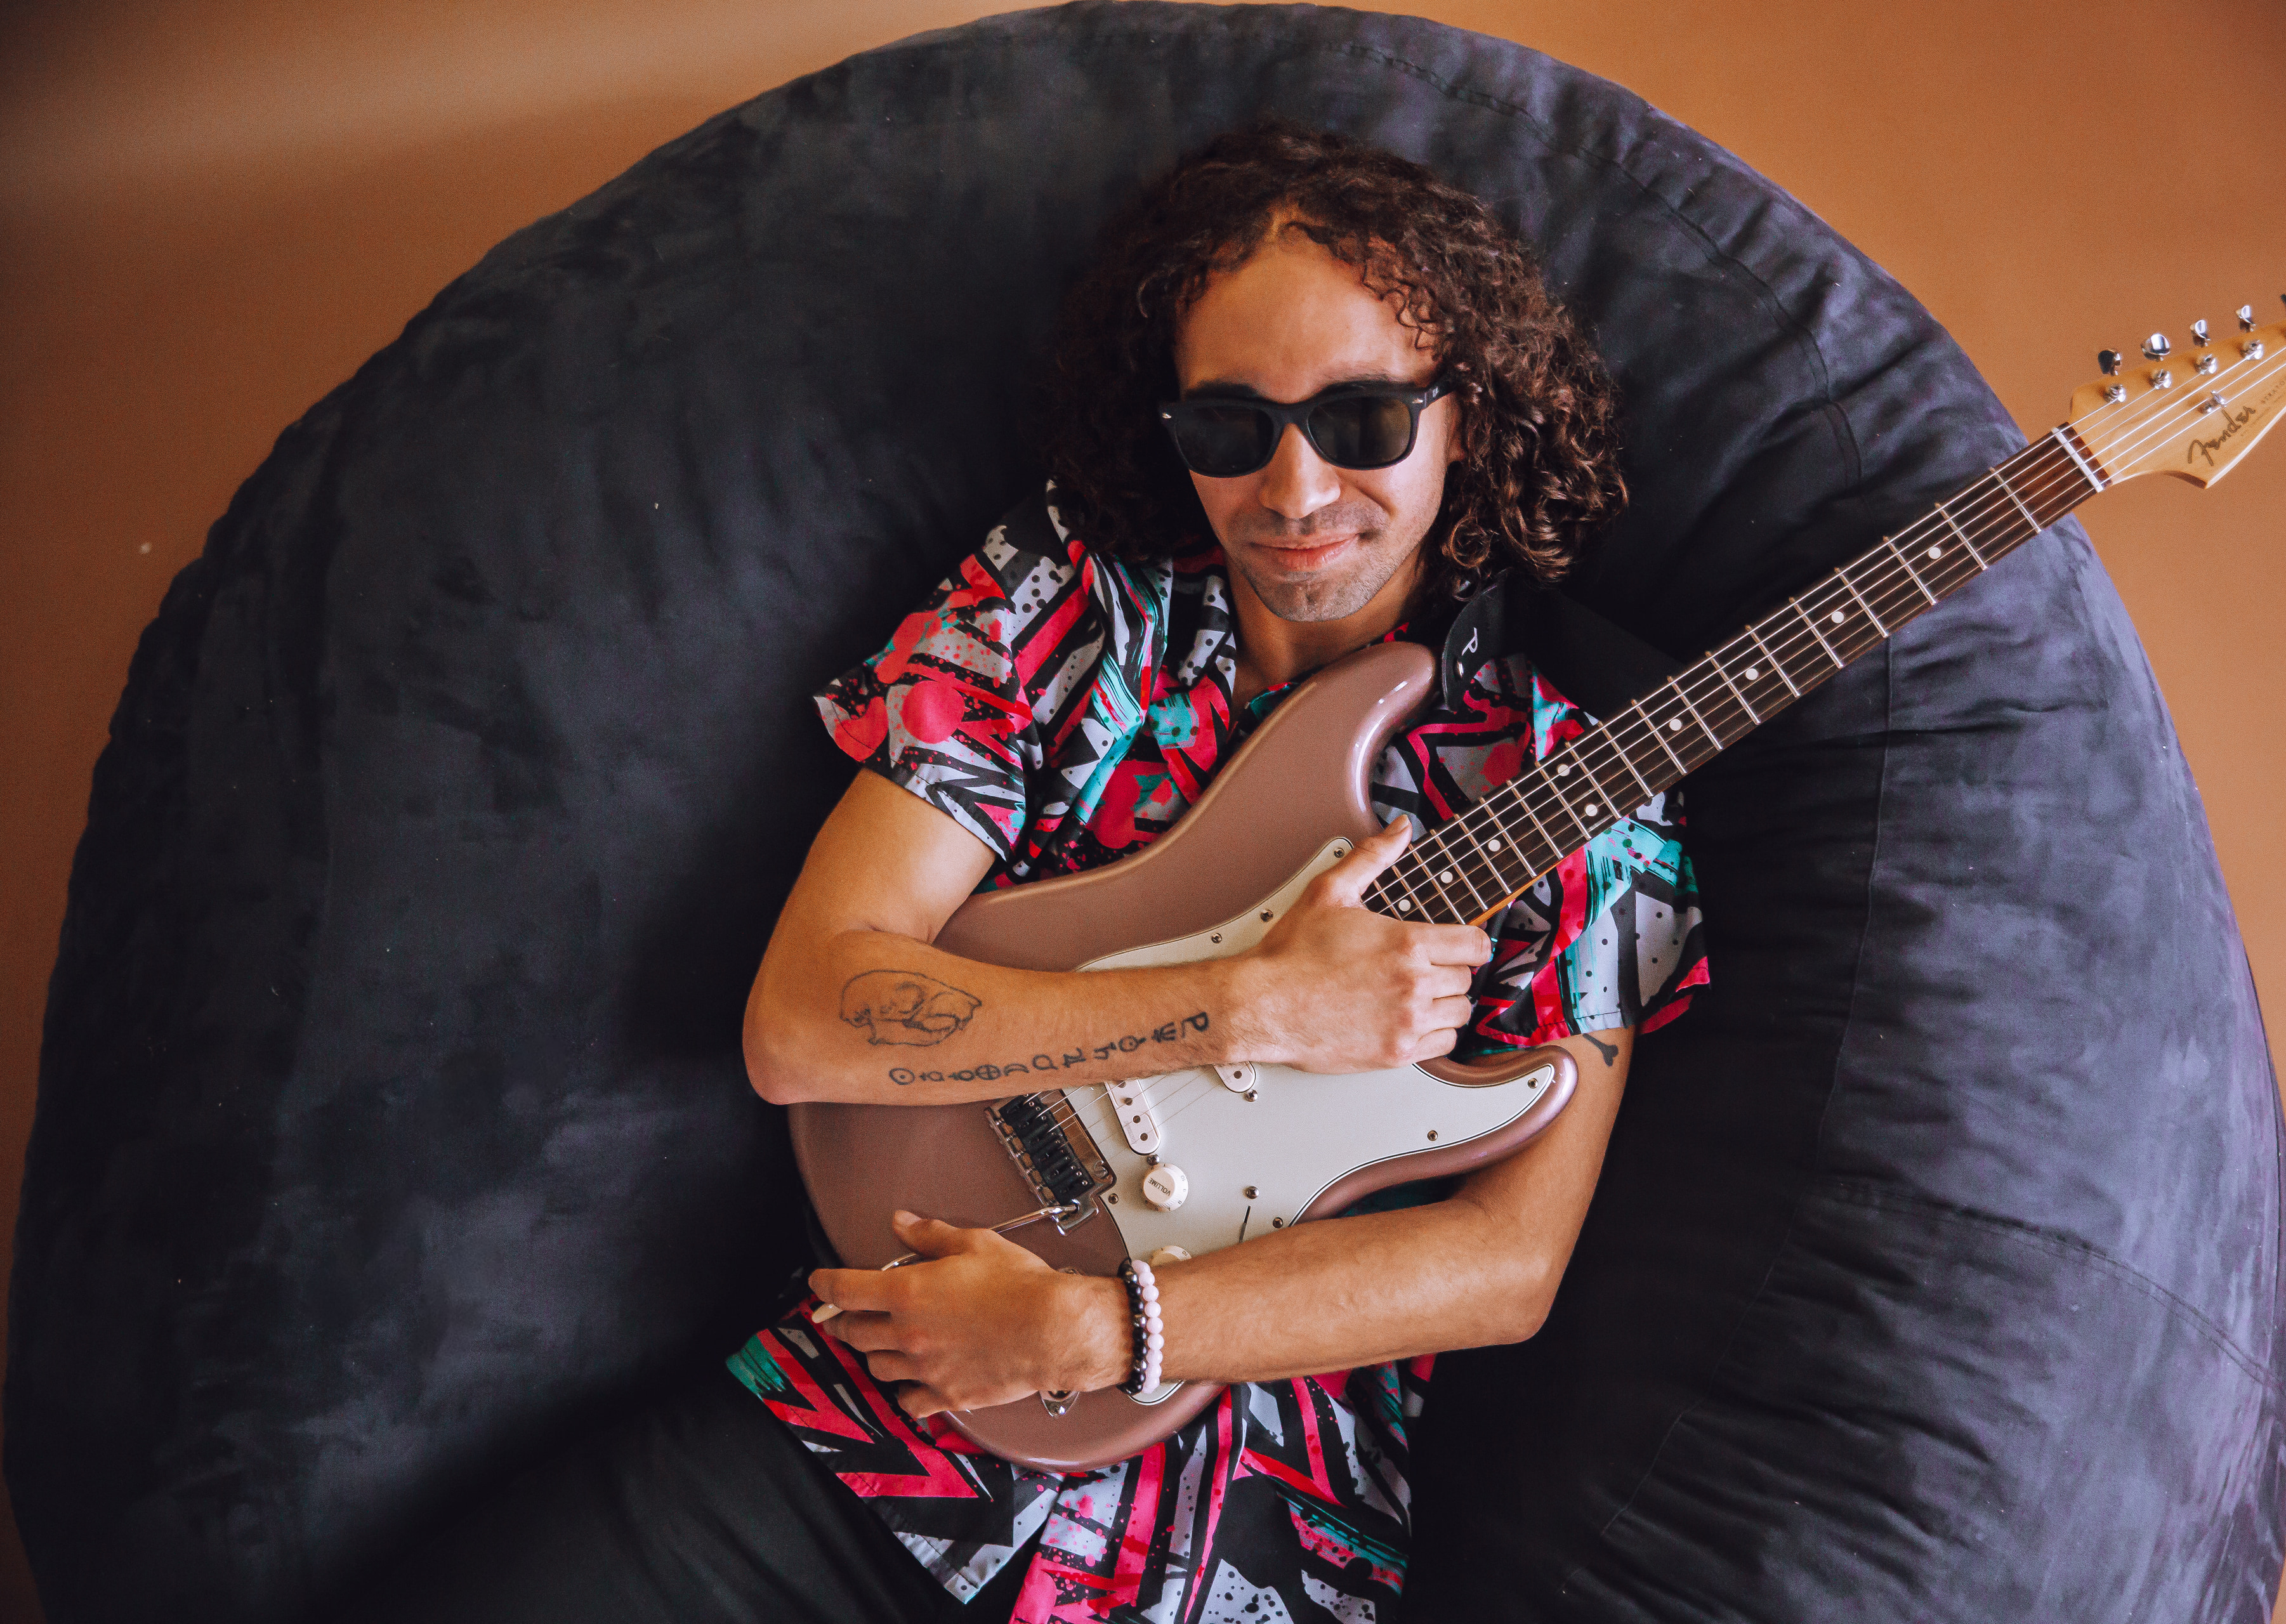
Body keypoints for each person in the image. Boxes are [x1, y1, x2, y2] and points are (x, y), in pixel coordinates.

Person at [353, 124, 1705, 1624]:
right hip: (868, 1418)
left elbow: (1505, 1264)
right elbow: (802, 1023)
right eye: (1230, 426)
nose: (1295, 485)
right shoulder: (1070, 598)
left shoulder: (1577, 777)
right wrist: (1243, 1004)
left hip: (1220, 1545)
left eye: (1364, 417)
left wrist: (1091, 1331)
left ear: (1470, 410)